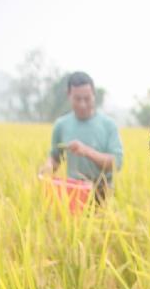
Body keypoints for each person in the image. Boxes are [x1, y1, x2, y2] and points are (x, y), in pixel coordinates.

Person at [41, 71, 123, 200]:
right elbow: (55, 158)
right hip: (73, 192)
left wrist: (86, 151)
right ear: (69, 95)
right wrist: (48, 167)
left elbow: (116, 163)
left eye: (87, 98)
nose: (82, 104)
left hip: (102, 192)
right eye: (77, 99)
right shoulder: (61, 125)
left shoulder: (108, 125)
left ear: (94, 95)